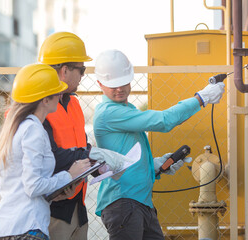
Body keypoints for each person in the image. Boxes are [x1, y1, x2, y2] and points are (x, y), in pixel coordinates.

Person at [93, 49, 226, 240]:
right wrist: (201, 98)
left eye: (123, 82)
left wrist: (153, 166)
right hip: (124, 203)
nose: (119, 89)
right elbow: (164, 120)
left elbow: (126, 154)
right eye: (112, 85)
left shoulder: (124, 109)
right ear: (100, 84)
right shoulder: (108, 113)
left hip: (138, 203)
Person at [38, 32, 132, 240]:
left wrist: (100, 168)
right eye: (81, 70)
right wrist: (94, 156)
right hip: (53, 209)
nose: (83, 75)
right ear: (64, 71)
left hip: (77, 207)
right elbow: (51, 157)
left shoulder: (73, 104)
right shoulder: (41, 108)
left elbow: (80, 146)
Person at [0, 63, 92, 239]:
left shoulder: (19, 127)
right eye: (57, 91)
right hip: (28, 228)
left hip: (11, 227)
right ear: (45, 100)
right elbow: (33, 186)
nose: (61, 95)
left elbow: (24, 187)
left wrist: (53, 196)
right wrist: (69, 175)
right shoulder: (33, 130)